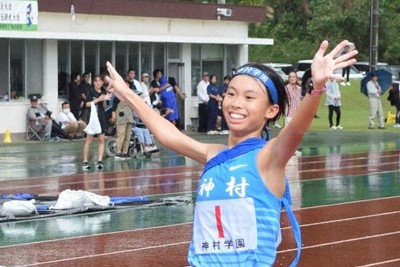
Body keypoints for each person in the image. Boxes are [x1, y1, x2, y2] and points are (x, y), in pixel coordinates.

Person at [106, 40, 357, 266]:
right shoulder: (213, 154)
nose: (236, 103)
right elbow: (167, 135)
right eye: (231, 94)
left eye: (250, 97)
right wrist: (127, 94)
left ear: (271, 110)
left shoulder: (268, 158)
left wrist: (317, 89)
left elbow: (296, 129)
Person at [82, 75, 112, 171]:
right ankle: (85, 161)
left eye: (100, 81)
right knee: (89, 140)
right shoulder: (91, 91)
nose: (98, 83)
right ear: (94, 83)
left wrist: (105, 99)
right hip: (92, 117)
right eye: (96, 81)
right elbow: (87, 104)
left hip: (101, 117)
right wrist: (98, 99)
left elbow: (104, 106)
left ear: (102, 82)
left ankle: (99, 160)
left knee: (101, 140)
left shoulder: (103, 91)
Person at [111, 93, 135, 159]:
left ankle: (125, 152)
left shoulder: (131, 95)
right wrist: (113, 114)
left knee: (127, 136)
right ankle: (118, 152)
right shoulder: (118, 96)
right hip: (121, 118)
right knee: (121, 135)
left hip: (129, 118)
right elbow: (114, 106)